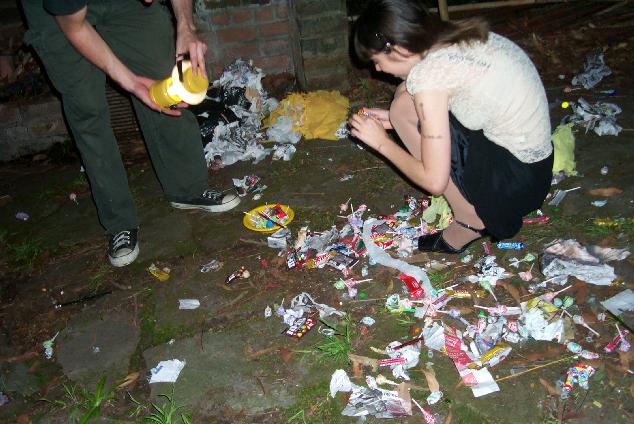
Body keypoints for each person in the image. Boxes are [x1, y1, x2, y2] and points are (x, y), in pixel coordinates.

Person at [21, 0, 239, 267]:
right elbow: (74, 27)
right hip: (62, 14)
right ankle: (119, 221)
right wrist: (131, 82)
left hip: (122, 6)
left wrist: (185, 26)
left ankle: (187, 188)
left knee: (165, 78)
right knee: (87, 107)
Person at [350, 0, 553, 254]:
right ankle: (477, 209)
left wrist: (381, 142)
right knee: (404, 97)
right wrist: (393, 122)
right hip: (536, 167)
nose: (377, 69)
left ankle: (471, 220)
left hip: (515, 184)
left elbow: (434, 181)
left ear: (398, 47)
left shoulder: (430, 75)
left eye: (377, 61)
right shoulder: (450, 38)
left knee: (402, 106)